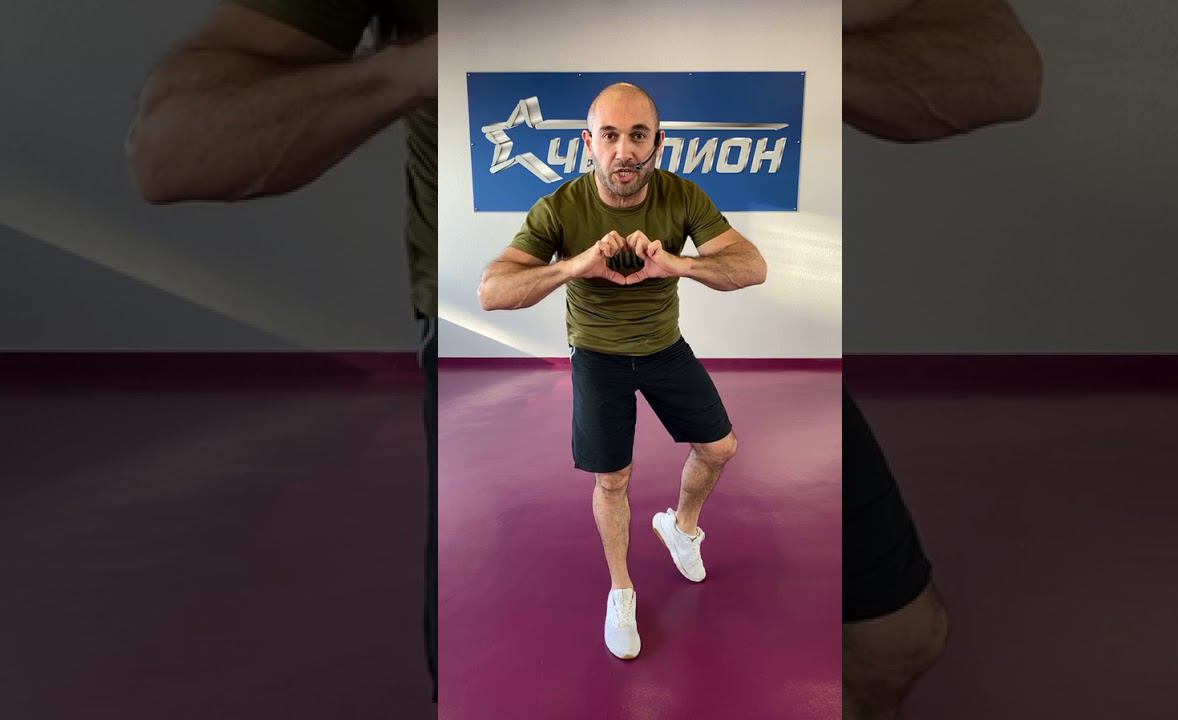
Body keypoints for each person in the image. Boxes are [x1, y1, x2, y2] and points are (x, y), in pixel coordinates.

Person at [123, 0, 440, 704]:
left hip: (702, 309)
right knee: (505, 656)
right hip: (489, 336)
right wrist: (412, 72)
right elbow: (167, 150)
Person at [477, 82, 768, 660]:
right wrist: (574, 266)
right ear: (589, 143)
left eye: (638, 136)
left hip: (664, 348)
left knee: (720, 448)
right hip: (597, 356)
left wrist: (676, 264)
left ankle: (681, 528)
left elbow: (752, 267)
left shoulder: (683, 196)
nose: (624, 150)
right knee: (612, 479)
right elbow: (492, 291)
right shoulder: (559, 208)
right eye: (610, 135)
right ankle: (622, 590)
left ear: (658, 142)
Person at [841, 0, 1042, 718]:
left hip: (758, 348)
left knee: (890, 642)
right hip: (530, 348)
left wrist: (754, 44)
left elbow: (1005, 73)